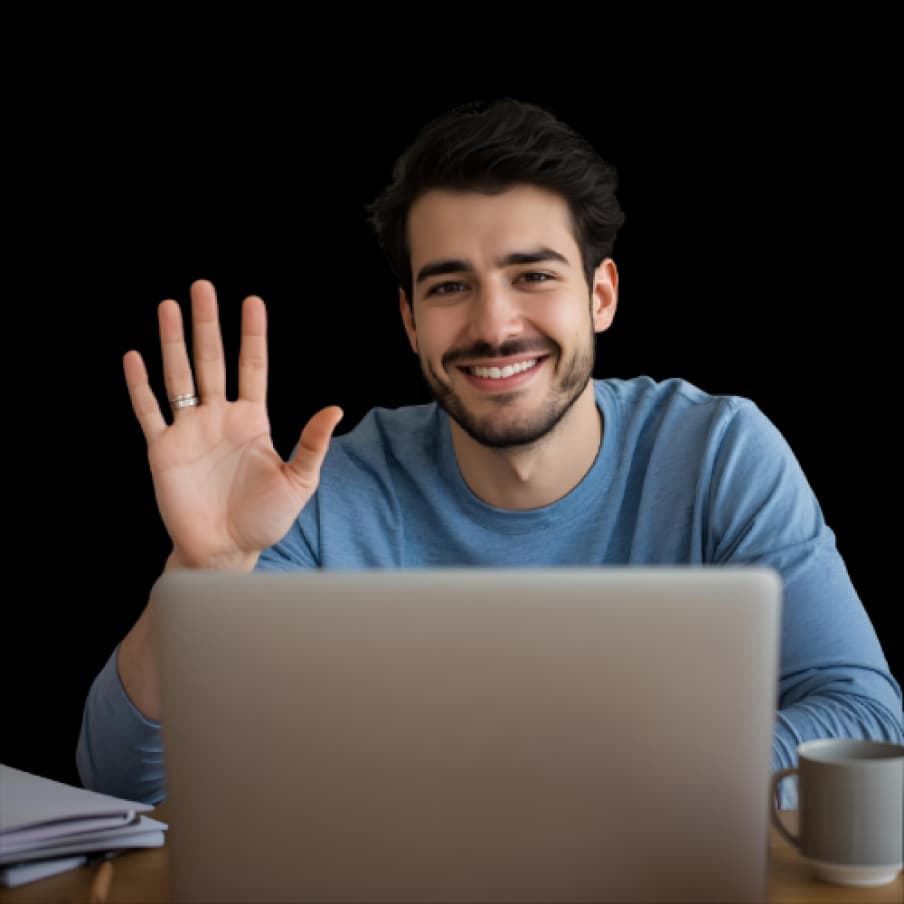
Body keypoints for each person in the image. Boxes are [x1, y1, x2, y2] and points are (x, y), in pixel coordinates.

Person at [77, 98, 903, 806]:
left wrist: (608, 778)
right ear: (409, 320)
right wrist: (201, 574)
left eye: (533, 274)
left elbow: (866, 718)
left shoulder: (718, 450)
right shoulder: (321, 489)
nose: (494, 325)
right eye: (449, 286)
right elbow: (126, 787)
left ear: (601, 295)